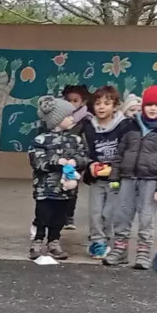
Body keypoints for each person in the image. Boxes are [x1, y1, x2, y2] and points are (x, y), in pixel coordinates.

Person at [107, 85, 157, 268]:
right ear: (143, 106)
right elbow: (119, 153)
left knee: (146, 217)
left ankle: (143, 252)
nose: (153, 108)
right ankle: (119, 250)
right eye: (149, 104)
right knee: (122, 214)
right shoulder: (130, 126)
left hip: (151, 181)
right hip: (127, 178)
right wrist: (114, 177)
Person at [28, 96, 84, 261]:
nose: (72, 118)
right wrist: (56, 162)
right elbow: (37, 162)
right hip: (44, 188)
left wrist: (77, 161)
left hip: (66, 189)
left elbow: (84, 157)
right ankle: (37, 241)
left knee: (60, 217)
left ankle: (54, 241)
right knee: (42, 215)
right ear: (57, 120)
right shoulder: (40, 140)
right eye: (68, 116)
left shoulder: (76, 140)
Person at [79, 85, 127, 259]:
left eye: (107, 103)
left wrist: (117, 167)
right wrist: (90, 164)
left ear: (115, 106)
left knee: (110, 212)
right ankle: (97, 241)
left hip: (116, 177)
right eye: (98, 103)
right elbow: (83, 150)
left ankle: (106, 239)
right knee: (95, 211)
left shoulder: (124, 125)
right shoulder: (88, 126)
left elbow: (128, 150)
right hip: (96, 177)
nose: (101, 107)